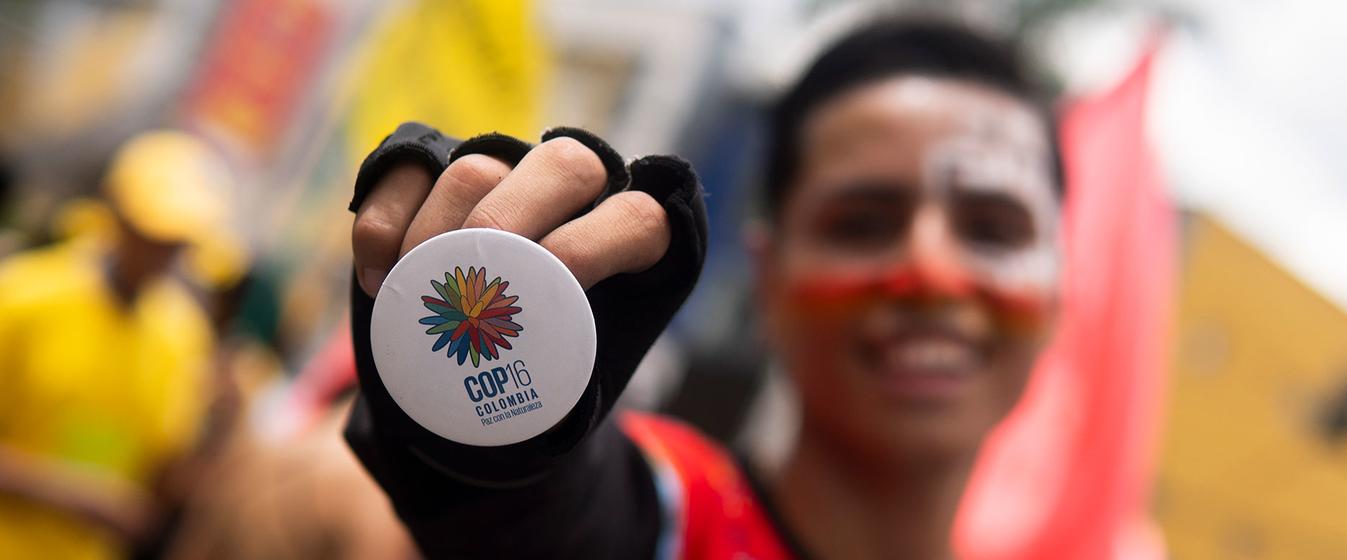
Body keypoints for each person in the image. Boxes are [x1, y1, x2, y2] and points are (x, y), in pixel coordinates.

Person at [345, 16, 1062, 560]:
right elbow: (539, 521)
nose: (931, 275)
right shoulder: (664, 517)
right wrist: (491, 445)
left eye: (993, 232)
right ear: (767, 278)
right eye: (862, 224)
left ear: (1062, 287)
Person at [0, 131, 233, 560]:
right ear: (116, 216)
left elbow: (161, 473)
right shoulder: (23, 296)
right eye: (152, 237)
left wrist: (219, 436)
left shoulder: (184, 337)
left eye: (175, 245)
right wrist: (73, 496)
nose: (162, 256)